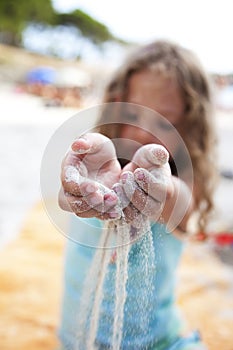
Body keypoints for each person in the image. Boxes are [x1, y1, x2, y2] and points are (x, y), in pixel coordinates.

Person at [58, 40, 217, 349]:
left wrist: (161, 187)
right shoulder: (96, 163)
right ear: (118, 103)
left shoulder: (182, 181)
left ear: (189, 125)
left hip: (159, 342)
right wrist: (73, 186)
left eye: (163, 121)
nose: (145, 132)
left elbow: (179, 202)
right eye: (136, 113)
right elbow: (68, 189)